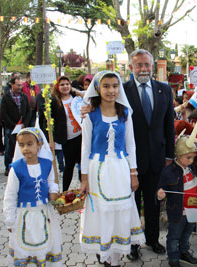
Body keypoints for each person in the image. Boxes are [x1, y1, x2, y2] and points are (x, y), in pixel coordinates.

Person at [80, 71, 145, 266]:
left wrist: (134, 173)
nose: (111, 90)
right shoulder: (90, 115)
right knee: (103, 211)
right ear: (98, 89)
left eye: (115, 86)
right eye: (106, 86)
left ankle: (116, 257)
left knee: (120, 211)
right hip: (98, 168)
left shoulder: (125, 113)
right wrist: (84, 178)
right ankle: (105, 255)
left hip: (120, 169)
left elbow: (131, 144)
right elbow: (85, 147)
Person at [123, 49, 175, 258]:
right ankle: (133, 244)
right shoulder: (122, 91)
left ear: (152, 66)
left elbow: (168, 124)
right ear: (131, 67)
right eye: (139, 65)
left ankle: (152, 239)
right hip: (131, 160)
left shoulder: (164, 90)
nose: (143, 69)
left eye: (147, 65)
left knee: (154, 202)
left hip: (157, 158)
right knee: (132, 203)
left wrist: (170, 156)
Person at [157, 123, 197, 267]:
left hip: (193, 209)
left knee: (186, 234)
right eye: (188, 157)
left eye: (193, 157)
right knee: (173, 236)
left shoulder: (195, 165)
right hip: (177, 211)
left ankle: (184, 251)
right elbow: (161, 188)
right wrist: (160, 194)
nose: (192, 160)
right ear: (178, 155)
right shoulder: (168, 171)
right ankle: (173, 257)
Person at [3, 127, 62, 267]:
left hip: (44, 212)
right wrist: (10, 219)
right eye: (22, 145)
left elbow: (51, 183)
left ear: (39, 145)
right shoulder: (16, 168)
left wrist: (54, 193)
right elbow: (10, 195)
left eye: (30, 144)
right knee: (26, 248)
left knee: (45, 244)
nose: (25, 148)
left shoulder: (47, 164)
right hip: (24, 215)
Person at [51, 76, 82, 192]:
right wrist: (51, 139)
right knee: (69, 165)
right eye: (62, 85)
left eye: (67, 84)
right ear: (58, 87)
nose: (65, 87)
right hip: (67, 139)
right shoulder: (55, 101)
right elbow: (48, 121)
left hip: (80, 135)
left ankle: (83, 188)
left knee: (82, 164)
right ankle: (65, 191)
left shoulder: (76, 97)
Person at [1, 76, 31, 176]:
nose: (20, 87)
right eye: (18, 85)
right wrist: (13, 125)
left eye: (21, 85)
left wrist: (24, 124)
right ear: (12, 84)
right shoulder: (6, 97)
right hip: (11, 127)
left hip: (22, 127)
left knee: (22, 147)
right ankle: (8, 167)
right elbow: (4, 113)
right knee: (9, 148)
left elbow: (28, 111)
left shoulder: (24, 96)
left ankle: (22, 167)